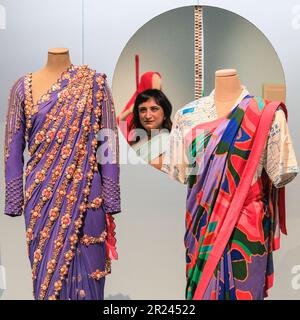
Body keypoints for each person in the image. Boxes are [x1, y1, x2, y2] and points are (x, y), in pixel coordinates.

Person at [129, 89, 172, 170]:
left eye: (154, 109)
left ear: (165, 114)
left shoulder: (168, 141)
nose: (148, 115)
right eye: (143, 110)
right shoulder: (137, 142)